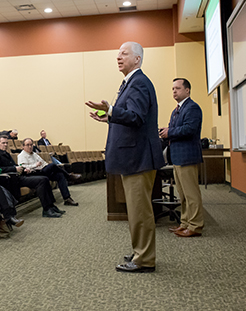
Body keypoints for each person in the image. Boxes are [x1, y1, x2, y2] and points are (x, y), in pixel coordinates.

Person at [86, 41, 164, 273]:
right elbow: (129, 116)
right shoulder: (131, 82)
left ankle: (144, 259)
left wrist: (111, 110)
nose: (118, 57)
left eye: (124, 54)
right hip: (135, 157)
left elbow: (136, 116)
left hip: (138, 157)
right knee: (136, 209)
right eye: (117, 54)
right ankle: (141, 251)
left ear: (137, 59)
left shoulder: (138, 82)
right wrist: (109, 117)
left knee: (140, 211)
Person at [159, 78, 205, 238]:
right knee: (183, 194)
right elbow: (175, 129)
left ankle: (196, 225)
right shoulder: (176, 110)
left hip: (187, 156)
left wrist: (169, 132)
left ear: (187, 90)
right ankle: (185, 222)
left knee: (191, 194)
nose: (174, 91)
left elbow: (190, 129)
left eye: (177, 88)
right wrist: (165, 131)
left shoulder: (192, 108)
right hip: (177, 157)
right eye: (172, 88)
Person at [0, 136, 64, 218]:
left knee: (45, 178)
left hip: (18, 177)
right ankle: (46, 209)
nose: (6, 145)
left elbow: (16, 166)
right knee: (42, 180)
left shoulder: (6, 153)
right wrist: (14, 168)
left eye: (6, 143)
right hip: (11, 180)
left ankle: (51, 206)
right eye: (3, 143)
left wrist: (24, 169)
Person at [17, 138, 80, 206]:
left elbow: (43, 163)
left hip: (42, 171)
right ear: (23, 146)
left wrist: (47, 167)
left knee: (60, 175)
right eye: (27, 145)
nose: (30, 147)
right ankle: (68, 176)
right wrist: (35, 165)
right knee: (52, 165)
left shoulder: (34, 154)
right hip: (33, 174)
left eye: (31, 145)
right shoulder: (21, 156)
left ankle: (67, 198)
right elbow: (23, 168)